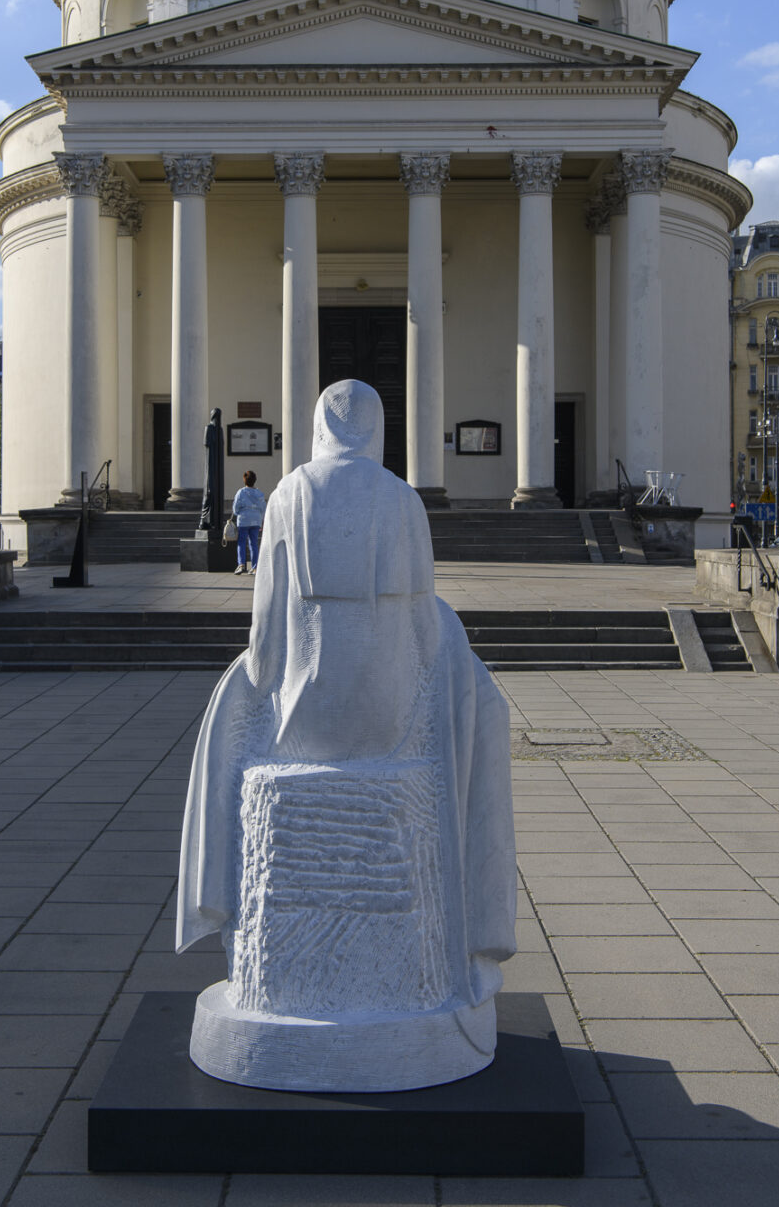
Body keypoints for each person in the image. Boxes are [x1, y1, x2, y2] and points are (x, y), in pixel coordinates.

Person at [177, 379, 516, 1092]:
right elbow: (423, 625)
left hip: (304, 724)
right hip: (390, 721)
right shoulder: (403, 499)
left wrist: (265, 684)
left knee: (226, 719)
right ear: (378, 429)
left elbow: (265, 636)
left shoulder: (289, 495)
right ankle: (463, 942)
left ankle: (227, 909)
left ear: (317, 428)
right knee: (476, 693)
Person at [231, 469, 266, 575]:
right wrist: (262, 520)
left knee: (241, 542)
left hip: (244, 519)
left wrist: (238, 513)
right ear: (255, 480)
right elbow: (263, 508)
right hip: (256, 520)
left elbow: (236, 507)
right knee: (253, 543)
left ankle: (241, 564)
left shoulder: (241, 492)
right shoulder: (260, 493)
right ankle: (255, 567)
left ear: (244, 480)